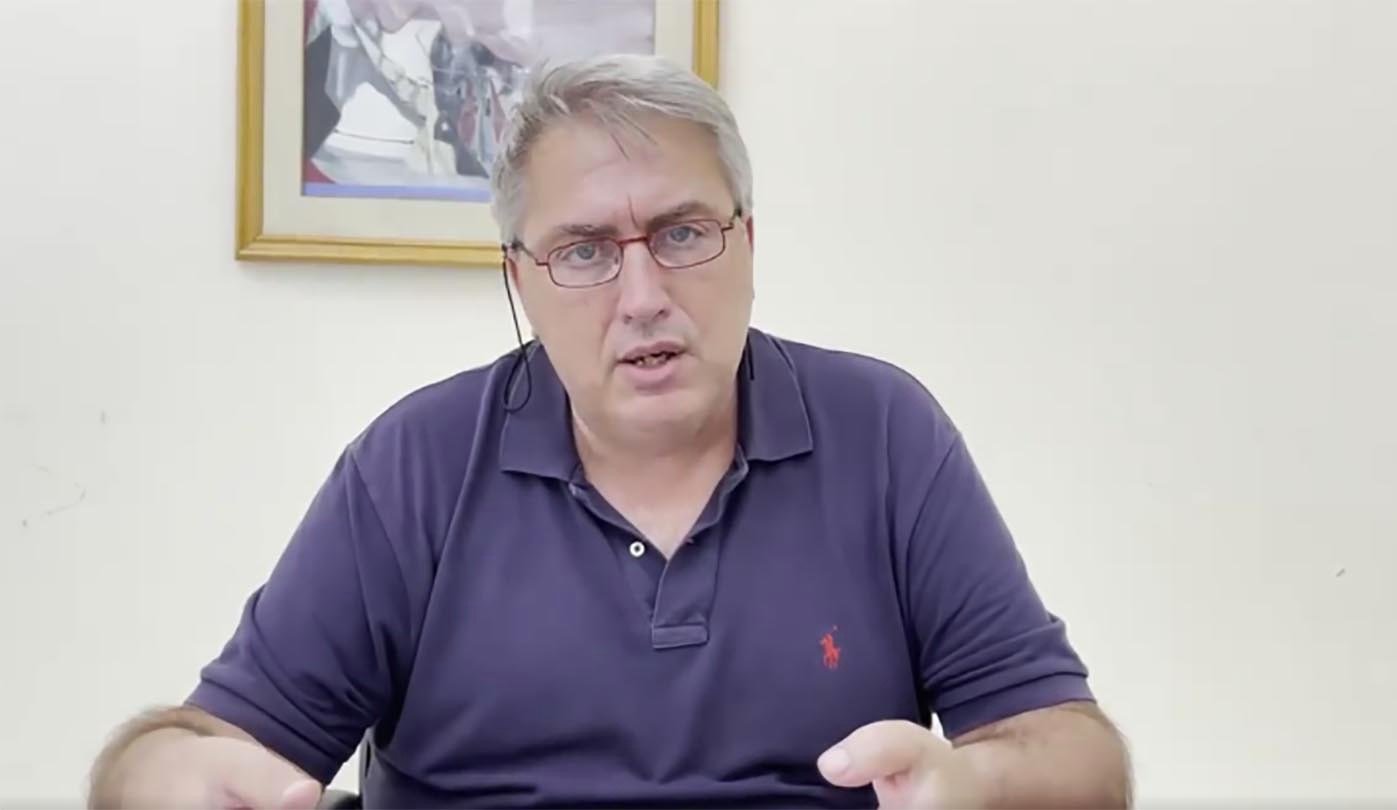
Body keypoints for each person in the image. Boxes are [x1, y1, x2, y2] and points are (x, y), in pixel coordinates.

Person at [88, 54, 1131, 809]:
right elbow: (191, 747)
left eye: (682, 233)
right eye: (584, 251)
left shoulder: (884, 434)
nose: (642, 296)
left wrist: (972, 784)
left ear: (747, 244)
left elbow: (1077, 756)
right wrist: (166, 778)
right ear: (519, 279)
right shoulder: (414, 467)